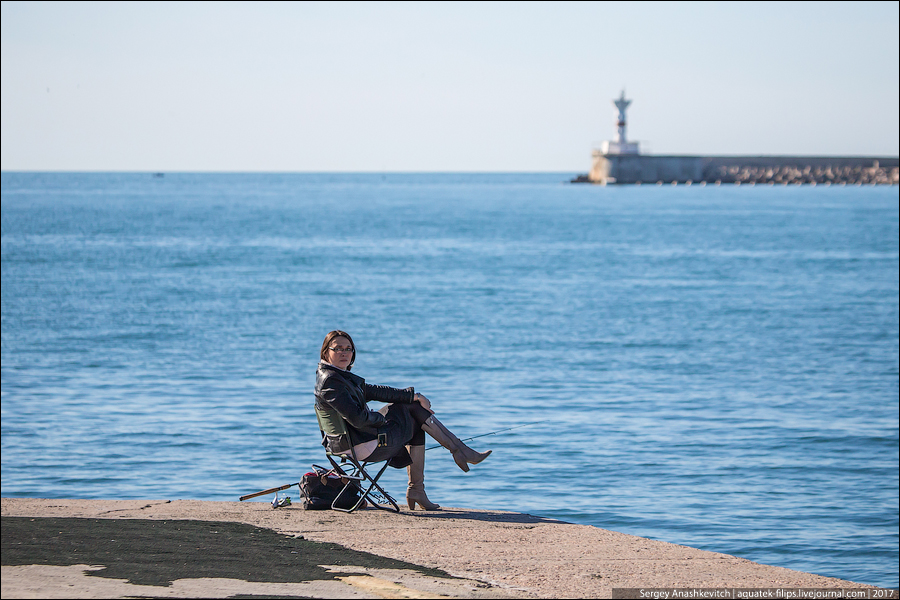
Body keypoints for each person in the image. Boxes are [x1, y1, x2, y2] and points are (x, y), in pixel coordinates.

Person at [314, 330, 490, 510]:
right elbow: (359, 419)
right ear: (326, 352)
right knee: (414, 413)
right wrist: (381, 418)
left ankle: (436, 472)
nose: (344, 353)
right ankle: (449, 460)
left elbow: (375, 391)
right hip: (358, 445)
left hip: (353, 441)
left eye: (348, 348)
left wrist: (412, 395)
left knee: (412, 410)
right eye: (338, 349)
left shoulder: (336, 376)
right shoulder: (332, 382)